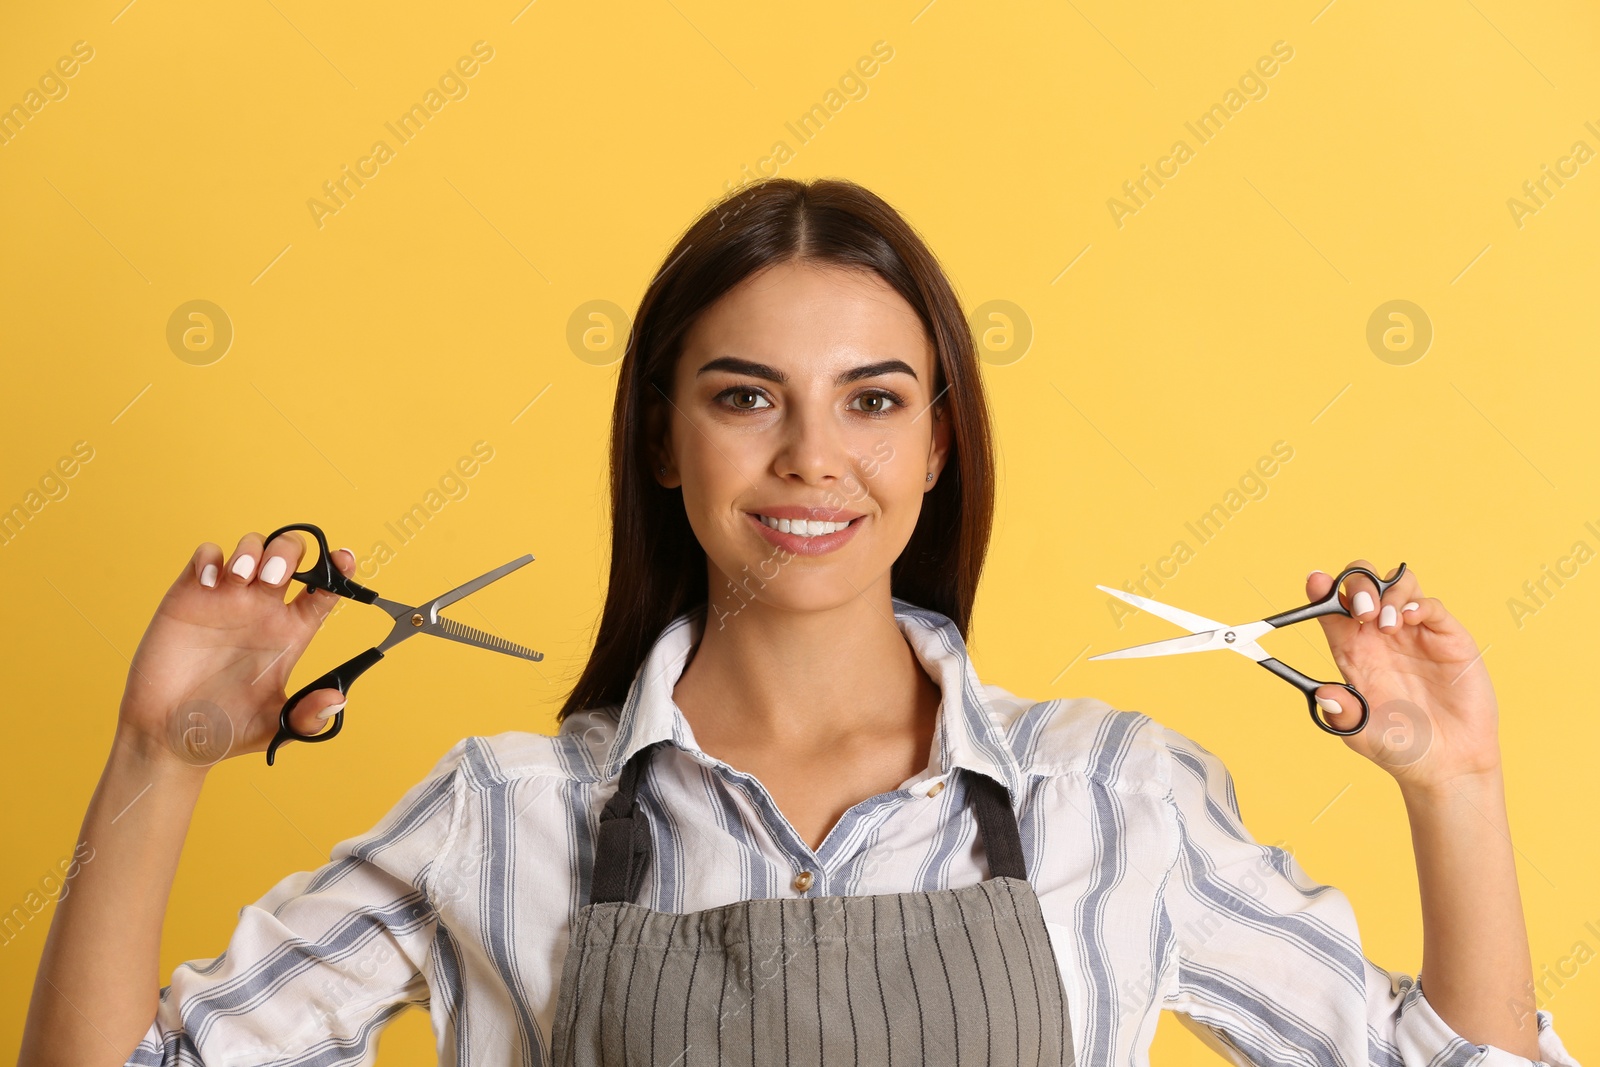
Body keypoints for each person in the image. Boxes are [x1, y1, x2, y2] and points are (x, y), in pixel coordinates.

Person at [20, 177, 1581, 1067]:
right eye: (746, 396)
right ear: (663, 436)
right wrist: (160, 756)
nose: (812, 460)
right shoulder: (509, 815)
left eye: (874, 401)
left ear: (937, 444)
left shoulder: (1113, 800)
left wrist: (1457, 790)